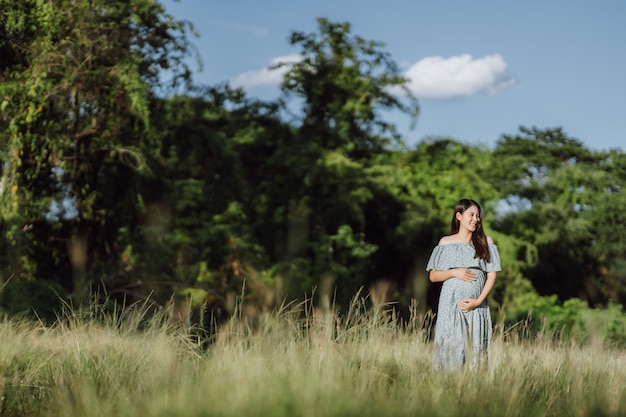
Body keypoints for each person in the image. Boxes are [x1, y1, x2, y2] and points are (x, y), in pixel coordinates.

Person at [426, 198, 501, 370]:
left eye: (478, 216)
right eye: (471, 215)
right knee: (452, 344)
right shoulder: (446, 242)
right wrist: (454, 272)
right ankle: (449, 384)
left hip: (477, 305)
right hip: (451, 303)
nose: (476, 219)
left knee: (475, 346)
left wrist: (478, 300)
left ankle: (473, 388)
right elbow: (433, 276)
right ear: (459, 216)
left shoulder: (485, 242)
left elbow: (492, 275)